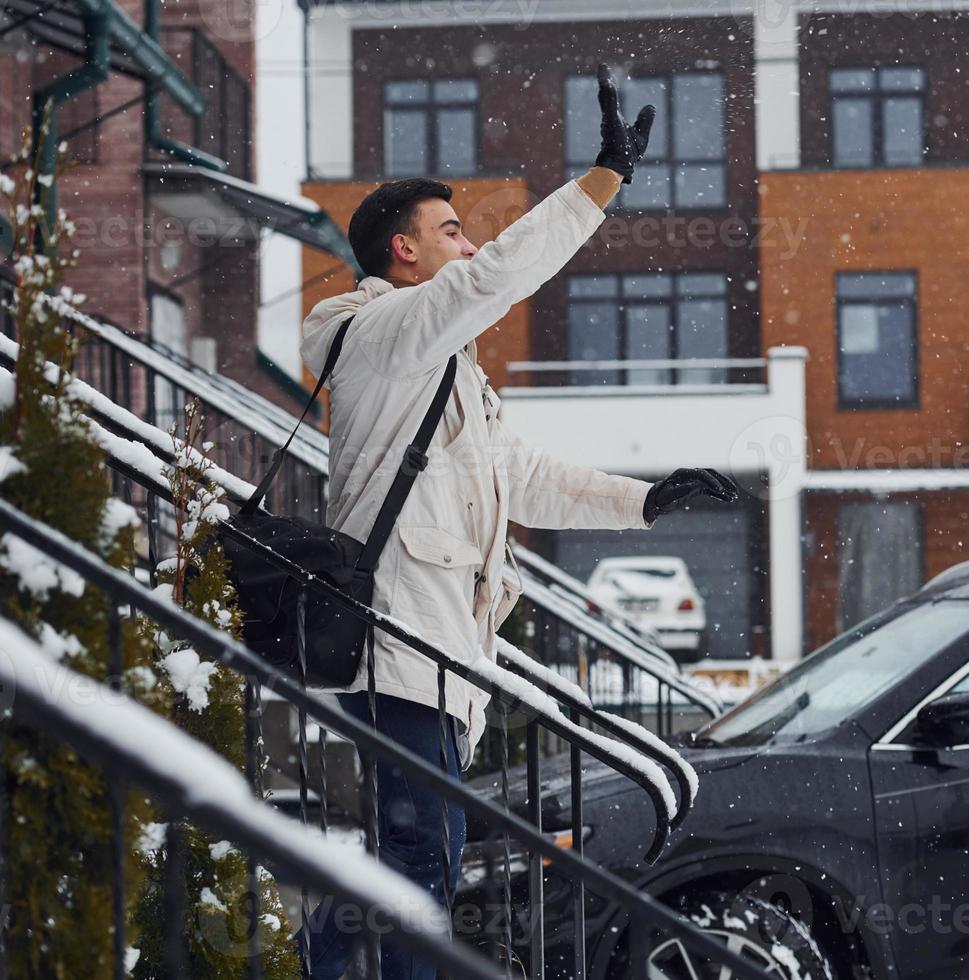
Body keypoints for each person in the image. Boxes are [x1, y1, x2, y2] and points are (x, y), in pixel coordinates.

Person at [297, 63, 741, 980]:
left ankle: (320, 963)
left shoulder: (449, 371)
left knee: (422, 855)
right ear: (403, 254)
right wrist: (600, 184)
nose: (469, 247)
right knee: (421, 857)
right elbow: (496, 277)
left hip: (445, 647)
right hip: (397, 636)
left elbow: (523, 478)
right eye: (451, 232)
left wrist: (643, 500)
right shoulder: (383, 336)